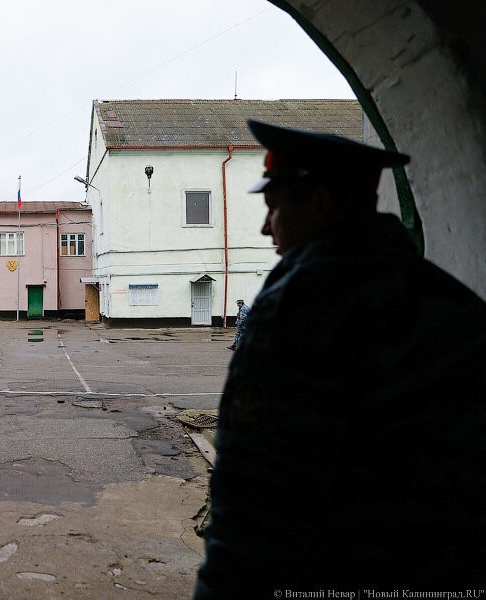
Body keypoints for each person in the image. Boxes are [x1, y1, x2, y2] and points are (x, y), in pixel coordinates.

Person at [194, 120, 486, 597]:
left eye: (274, 207)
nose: (266, 226)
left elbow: (256, 496)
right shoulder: (451, 297)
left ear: (321, 202)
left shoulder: (298, 305)